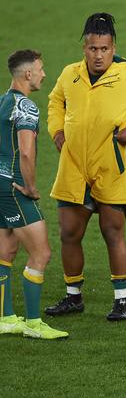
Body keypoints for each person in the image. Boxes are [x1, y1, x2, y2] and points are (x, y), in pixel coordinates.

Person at [45, 13, 126, 321]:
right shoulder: (69, 75)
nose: (98, 55)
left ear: (113, 47)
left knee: (112, 231)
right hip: (73, 165)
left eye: (104, 48)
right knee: (69, 233)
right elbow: (54, 102)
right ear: (83, 48)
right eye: (92, 48)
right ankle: (74, 297)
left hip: (111, 165)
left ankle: (121, 303)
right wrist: (56, 131)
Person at [0, 50, 68, 339]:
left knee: (6, 252)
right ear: (27, 74)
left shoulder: (2, 102)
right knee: (41, 252)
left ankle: (6, 318)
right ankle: (33, 322)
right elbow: (26, 151)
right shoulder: (25, 107)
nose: (43, 74)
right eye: (40, 69)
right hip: (14, 188)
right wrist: (29, 187)